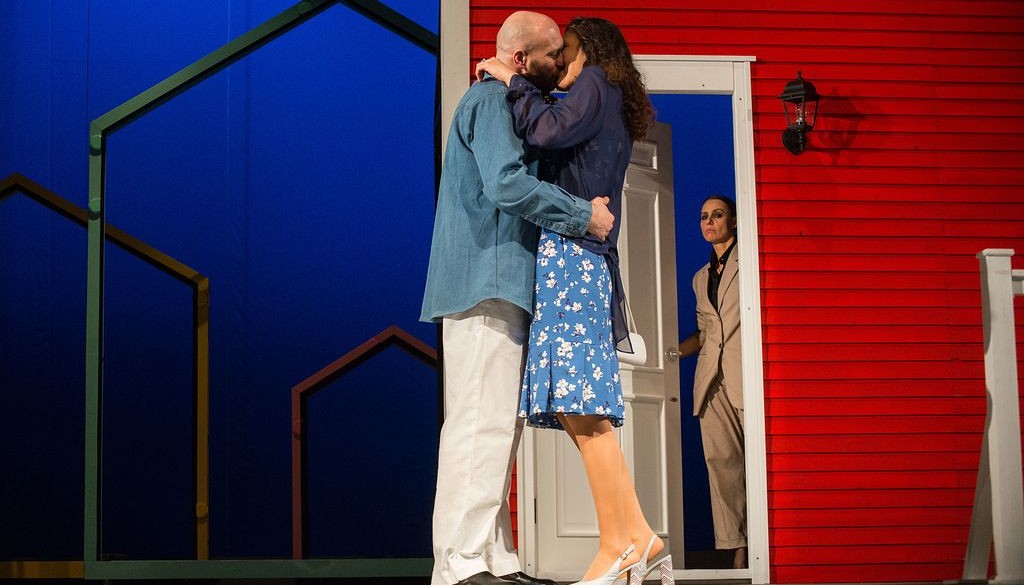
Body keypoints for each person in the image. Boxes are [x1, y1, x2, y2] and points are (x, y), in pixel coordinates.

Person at [420, 11, 616, 585]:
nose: (560, 62)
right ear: (522, 59)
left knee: (499, 425)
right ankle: (459, 562)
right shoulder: (488, 101)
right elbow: (505, 184)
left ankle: (493, 558)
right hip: (484, 280)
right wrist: (582, 215)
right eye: (553, 54)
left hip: (501, 283)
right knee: (479, 423)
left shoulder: (504, 100)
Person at [477, 17, 670, 585]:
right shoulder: (605, 96)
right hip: (579, 260)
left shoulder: (594, 85)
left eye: (567, 52)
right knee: (577, 407)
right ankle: (636, 536)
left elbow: (547, 131)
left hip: (573, 259)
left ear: (590, 51)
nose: (560, 63)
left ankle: (621, 542)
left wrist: (511, 81)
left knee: (581, 407)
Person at [676, 194, 747, 569]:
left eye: (717, 215)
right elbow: (705, 332)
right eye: (704, 216)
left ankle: (765, 542)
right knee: (722, 465)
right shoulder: (700, 277)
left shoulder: (748, 260)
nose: (709, 222)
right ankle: (738, 547)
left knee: (756, 461)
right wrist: (673, 354)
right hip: (711, 380)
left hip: (744, 373)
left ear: (732, 221)